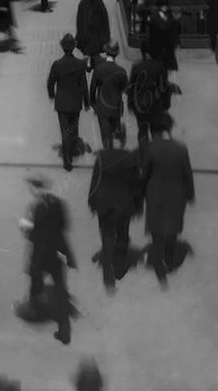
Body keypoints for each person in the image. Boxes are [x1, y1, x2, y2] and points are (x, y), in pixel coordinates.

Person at [18, 176, 76, 344]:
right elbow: (65, 225)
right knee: (60, 286)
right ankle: (65, 332)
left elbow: (31, 233)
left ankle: (35, 312)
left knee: (36, 281)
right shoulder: (58, 202)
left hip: (41, 252)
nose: (31, 191)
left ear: (37, 188)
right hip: (57, 251)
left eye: (32, 188)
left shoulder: (35, 207)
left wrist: (25, 228)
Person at [142, 115, 195, 288]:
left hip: (155, 194)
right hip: (176, 194)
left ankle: (159, 266)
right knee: (172, 228)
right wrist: (190, 194)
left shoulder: (150, 148)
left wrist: (139, 192)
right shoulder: (181, 148)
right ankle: (170, 260)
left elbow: (145, 174)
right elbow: (187, 173)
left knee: (157, 230)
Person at [88, 143, 141, 292]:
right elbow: (136, 184)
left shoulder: (101, 157)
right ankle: (119, 266)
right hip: (124, 203)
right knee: (123, 232)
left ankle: (107, 274)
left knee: (107, 234)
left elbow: (95, 181)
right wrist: (138, 205)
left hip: (105, 204)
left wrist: (92, 202)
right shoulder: (130, 157)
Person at [47, 33, 89, 171]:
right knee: (74, 129)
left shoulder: (57, 65)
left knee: (65, 131)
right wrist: (87, 102)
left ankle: (66, 160)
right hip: (76, 103)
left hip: (62, 104)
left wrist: (52, 95)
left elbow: (50, 82)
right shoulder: (80, 64)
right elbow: (84, 85)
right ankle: (72, 152)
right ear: (73, 47)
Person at [128, 40, 175, 144]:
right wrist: (166, 105)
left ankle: (144, 156)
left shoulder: (136, 67)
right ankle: (156, 157)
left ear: (144, 53)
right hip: (155, 104)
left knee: (142, 131)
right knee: (156, 132)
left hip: (140, 105)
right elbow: (164, 88)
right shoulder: (160, 66)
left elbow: (131, 88)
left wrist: (130, 105)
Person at [89, 42, 128, 149]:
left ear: (106, 53)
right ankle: (119, 137)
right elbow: (125, 88)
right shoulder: (121, 70)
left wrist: (93, 104)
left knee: (105, 135)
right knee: (115, 128)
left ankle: (108, 155)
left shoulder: (99, 69)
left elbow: (92, 89)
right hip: (116, 106)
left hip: (102, 107)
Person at [75, 0, 110, 66]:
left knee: (89, 51)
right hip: (94, 34)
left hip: (89, 34)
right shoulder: (98, 3)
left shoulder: (83, 4)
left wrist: (79, 35)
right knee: (94, 51)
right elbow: (105, 20)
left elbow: (79, 21)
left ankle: (89, 64)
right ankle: (93, 63)